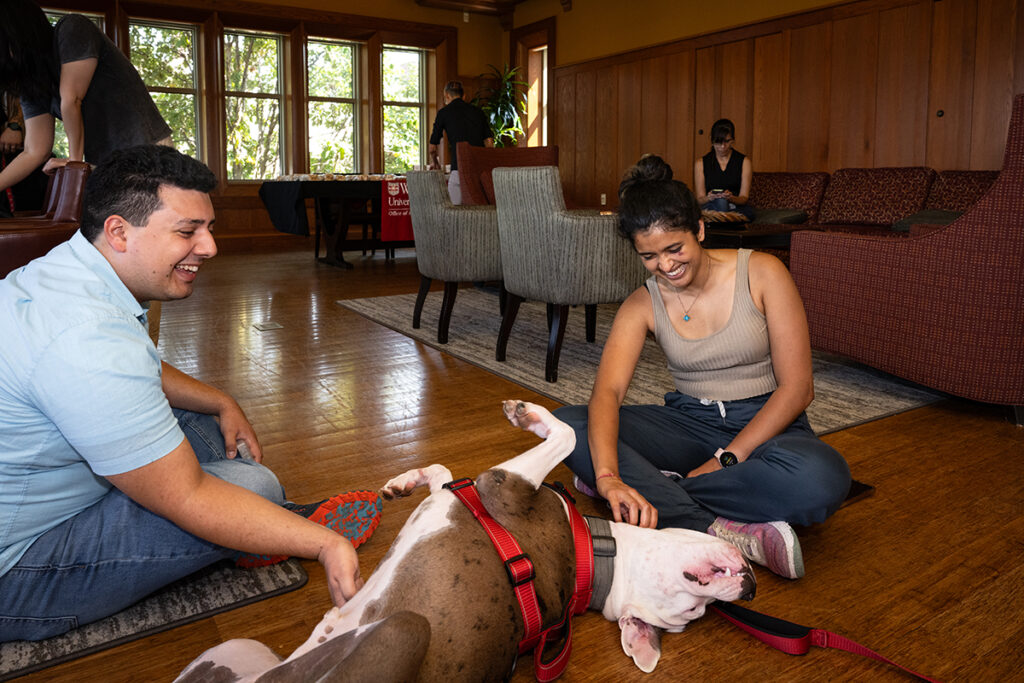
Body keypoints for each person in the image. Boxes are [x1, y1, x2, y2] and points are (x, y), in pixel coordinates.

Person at [0, 145, 373, 642]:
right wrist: (324, 544)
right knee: (254, 486)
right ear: (118, 231)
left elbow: (141, 366)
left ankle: (222, 511)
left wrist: (223, 401)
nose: (209, 247)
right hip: (18, 573)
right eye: (186, 232)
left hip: (33, 481)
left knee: (204, 425)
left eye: (208, 227)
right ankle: (261, 524)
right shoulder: (85, 340)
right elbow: (187, 494)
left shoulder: (68, 270)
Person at [554, 155, 850, 580]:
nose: (666, 265)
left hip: (768, 424)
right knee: (568, 425)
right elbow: (608, 393)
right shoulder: (643, 302)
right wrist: (606, 477)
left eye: (675, 248)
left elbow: (798, 389)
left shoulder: (763, 272)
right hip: (690, 422)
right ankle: (718, 529)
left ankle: (652, 492)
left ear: (700, 229)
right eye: (650, 256)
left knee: (821, 478)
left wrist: (728, 458)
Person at [0, 1, 173, 194]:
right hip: (106, 166)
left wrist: (75, 165)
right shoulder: (33, 79)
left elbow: (71, 100)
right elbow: (34, 151)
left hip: (146, 151)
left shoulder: (73, 29)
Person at [427, 80, 493, 204]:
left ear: (447, 95)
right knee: (480, 212)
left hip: (459, 169)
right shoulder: (478, 112)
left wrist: (435, 163)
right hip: (478, 171)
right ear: (464, 96)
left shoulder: (443, 113)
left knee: (454, 214)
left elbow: (432, 148)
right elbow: (489, 142)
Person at [693, 118, 754, 221]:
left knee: (736, 209)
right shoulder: (701, 163)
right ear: (712, 141)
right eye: (718, 142)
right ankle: (724, 216)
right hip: (711, 206)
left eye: (727, 141)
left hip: (735, 206)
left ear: (733, 140)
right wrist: (709, 197)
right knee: (719, 204)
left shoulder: (744, 161)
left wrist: (731, 198)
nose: (722, 146)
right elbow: (700, 199)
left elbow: (744, 198)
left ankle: (723, 216)